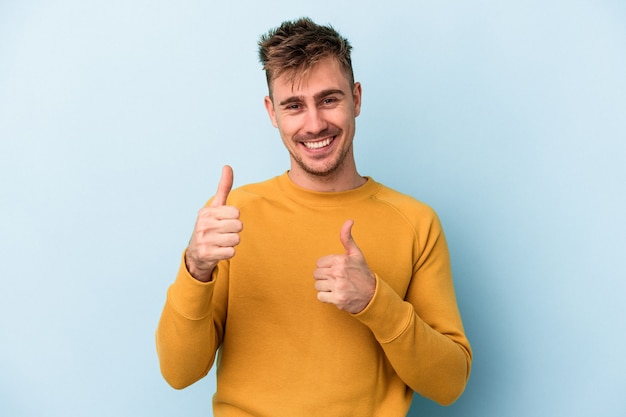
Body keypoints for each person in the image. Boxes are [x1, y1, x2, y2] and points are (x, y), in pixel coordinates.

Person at [156, 17, 472, 417]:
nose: (315, 123)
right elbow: (179, 372)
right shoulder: (231, 219)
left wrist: (376, 302)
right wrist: (196, 268)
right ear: (272, 112)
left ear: (356, 98)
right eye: (294, 106)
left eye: (329, 99)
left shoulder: (416, 222)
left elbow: (449, 383)